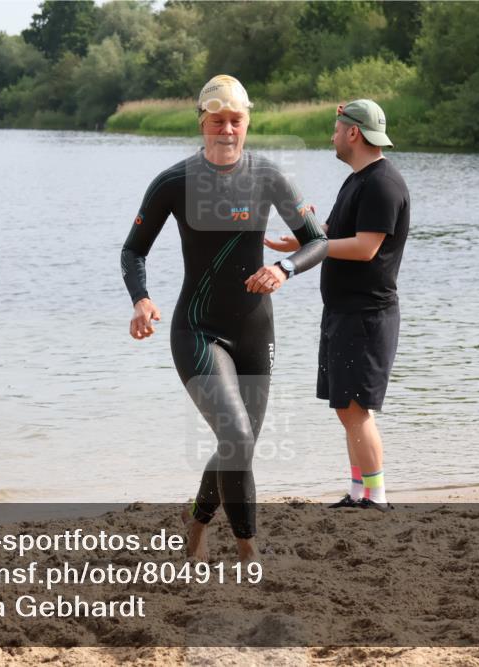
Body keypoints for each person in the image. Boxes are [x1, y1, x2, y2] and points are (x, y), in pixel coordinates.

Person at [121, 75, 327, 561]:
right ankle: (248, 551)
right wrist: (140, 299)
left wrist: (284, 268)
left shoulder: (269, 176)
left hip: (255, 329)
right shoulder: (174, 182)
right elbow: (133, 251)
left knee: (241, 444)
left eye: (236, 121)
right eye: (218, 121)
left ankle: (195, 524)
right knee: (235, 435)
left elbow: (317, 240)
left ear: (248, 122)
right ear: (202, 123)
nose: (227, 130)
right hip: (196, 328)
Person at [266, 99, 409, 511]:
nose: (331, 136)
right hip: (343, 312)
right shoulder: (358, 179)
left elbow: (365, 248)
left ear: (353, 133)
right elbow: (330, 231)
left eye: (336, 128)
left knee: (357, 408)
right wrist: (293, 240)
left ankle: (377, 497)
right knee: (346, 408)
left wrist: (315, 248)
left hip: (367, 315)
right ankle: (358, 491)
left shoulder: (383, 183)